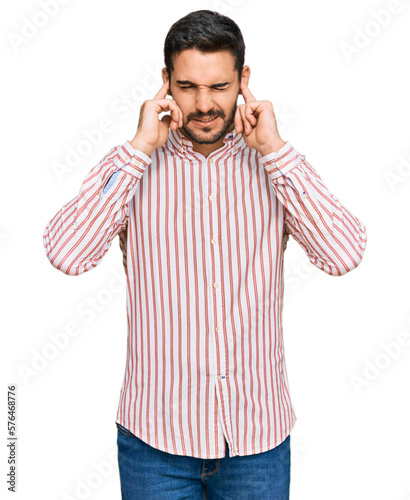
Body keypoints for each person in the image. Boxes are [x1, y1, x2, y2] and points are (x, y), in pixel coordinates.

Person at [43, 9, 367, 499]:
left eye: (219, 86)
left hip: (256, 442)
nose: (203, 104)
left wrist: (275, 151)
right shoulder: (131, 163)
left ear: (244, 80)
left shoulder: (274, 163)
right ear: (165, 83)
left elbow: (344, 254)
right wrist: (139, 148)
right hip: (155, 443)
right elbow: (67, 254)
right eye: (188, 86)